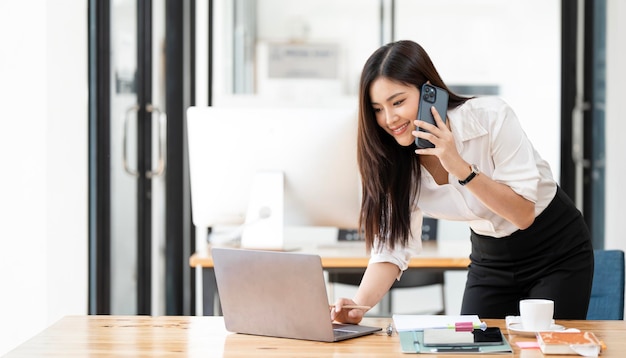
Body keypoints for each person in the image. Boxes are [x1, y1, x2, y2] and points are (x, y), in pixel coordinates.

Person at [331, 40, 594, 323]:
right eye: (377, 109)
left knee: (546, 346)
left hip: (555, 250)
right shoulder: (394, 162)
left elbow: (523, 213)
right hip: (490, 258)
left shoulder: (490, 118)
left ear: (429, 92)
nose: (389, 118)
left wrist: (460, 168)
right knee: (471, 348)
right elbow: (392, 248)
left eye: (397, 102)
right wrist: (359, 305)